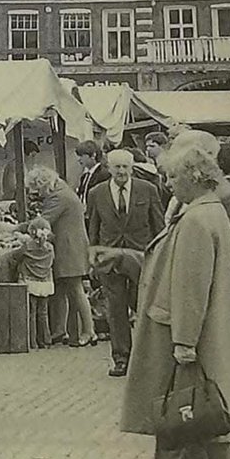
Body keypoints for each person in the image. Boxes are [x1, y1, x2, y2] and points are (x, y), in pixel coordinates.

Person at [120, 132, 230, 459]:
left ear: (193, 176)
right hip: (203, 333)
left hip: (197, 339)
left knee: (208, 424)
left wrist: (184, 341)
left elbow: (192, 286)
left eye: (172, 176)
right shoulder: (204, 210)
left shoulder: (201, 217)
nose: (167, 183)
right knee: (196, 428)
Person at [87, 149, 164, 377]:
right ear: (109, 168)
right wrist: (93, 257)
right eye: (117, 167)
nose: (121, 172)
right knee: (116, 310)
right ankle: (121, 358)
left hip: (141, 257)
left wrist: (160, 257)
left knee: (144, 307)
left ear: (132, 168)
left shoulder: (147, 190)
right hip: (109, 259)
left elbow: (158, 226)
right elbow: (93, 227)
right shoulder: (96, 193)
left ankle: (147, 359)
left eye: (125, 167)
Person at [25, 166, 96, 348]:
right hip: (72, 246)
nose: (37, 194)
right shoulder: (63, 189)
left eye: (37, 189)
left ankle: (89, 331)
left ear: (43, 184)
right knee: (65, 290)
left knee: (75, 289)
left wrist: (14, 229)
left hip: (68, 248)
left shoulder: (58, 197)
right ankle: (61, 331)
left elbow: (42, 222)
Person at [8, 216, 55, 348]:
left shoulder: (27, 247)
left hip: (30, 282)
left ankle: (32, 341)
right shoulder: (50, 248)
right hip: (45, 283)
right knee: (43, 313)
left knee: (31, 312)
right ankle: (45, 340)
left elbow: (15, 256)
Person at [74, 141, 109, 222]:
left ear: (93, 155)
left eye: (81, 156)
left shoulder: (103, 174)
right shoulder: (85, 176)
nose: (78, 159)